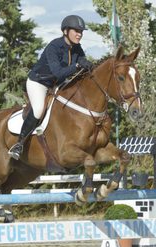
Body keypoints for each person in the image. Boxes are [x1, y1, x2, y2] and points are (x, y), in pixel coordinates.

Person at [8, 15, 93, 160]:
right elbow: (58, 73)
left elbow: (82, 65)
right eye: (76, 31)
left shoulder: (77, 48)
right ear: (66, 31)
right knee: (39, 108)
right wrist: (78, 65)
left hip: (57, 85)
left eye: (81, 32)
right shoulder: (54, 47)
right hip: (39, 83)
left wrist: (89, 66)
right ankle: (19, 144)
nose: (80, 34)